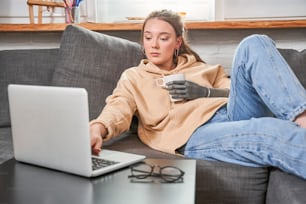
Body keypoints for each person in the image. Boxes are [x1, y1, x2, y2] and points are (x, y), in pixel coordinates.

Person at [90, 9, 306, 179]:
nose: (154, 44)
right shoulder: (134, 77)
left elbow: (241, 92)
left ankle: (302, 118)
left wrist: (206, 92)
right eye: (148, 37)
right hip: (194, 134)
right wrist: (97, 129)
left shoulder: (200, 67)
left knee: (254, 42)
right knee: (270, 131)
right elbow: (118, 107)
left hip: (230, 113)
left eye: (163, 38)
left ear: (177, 43)